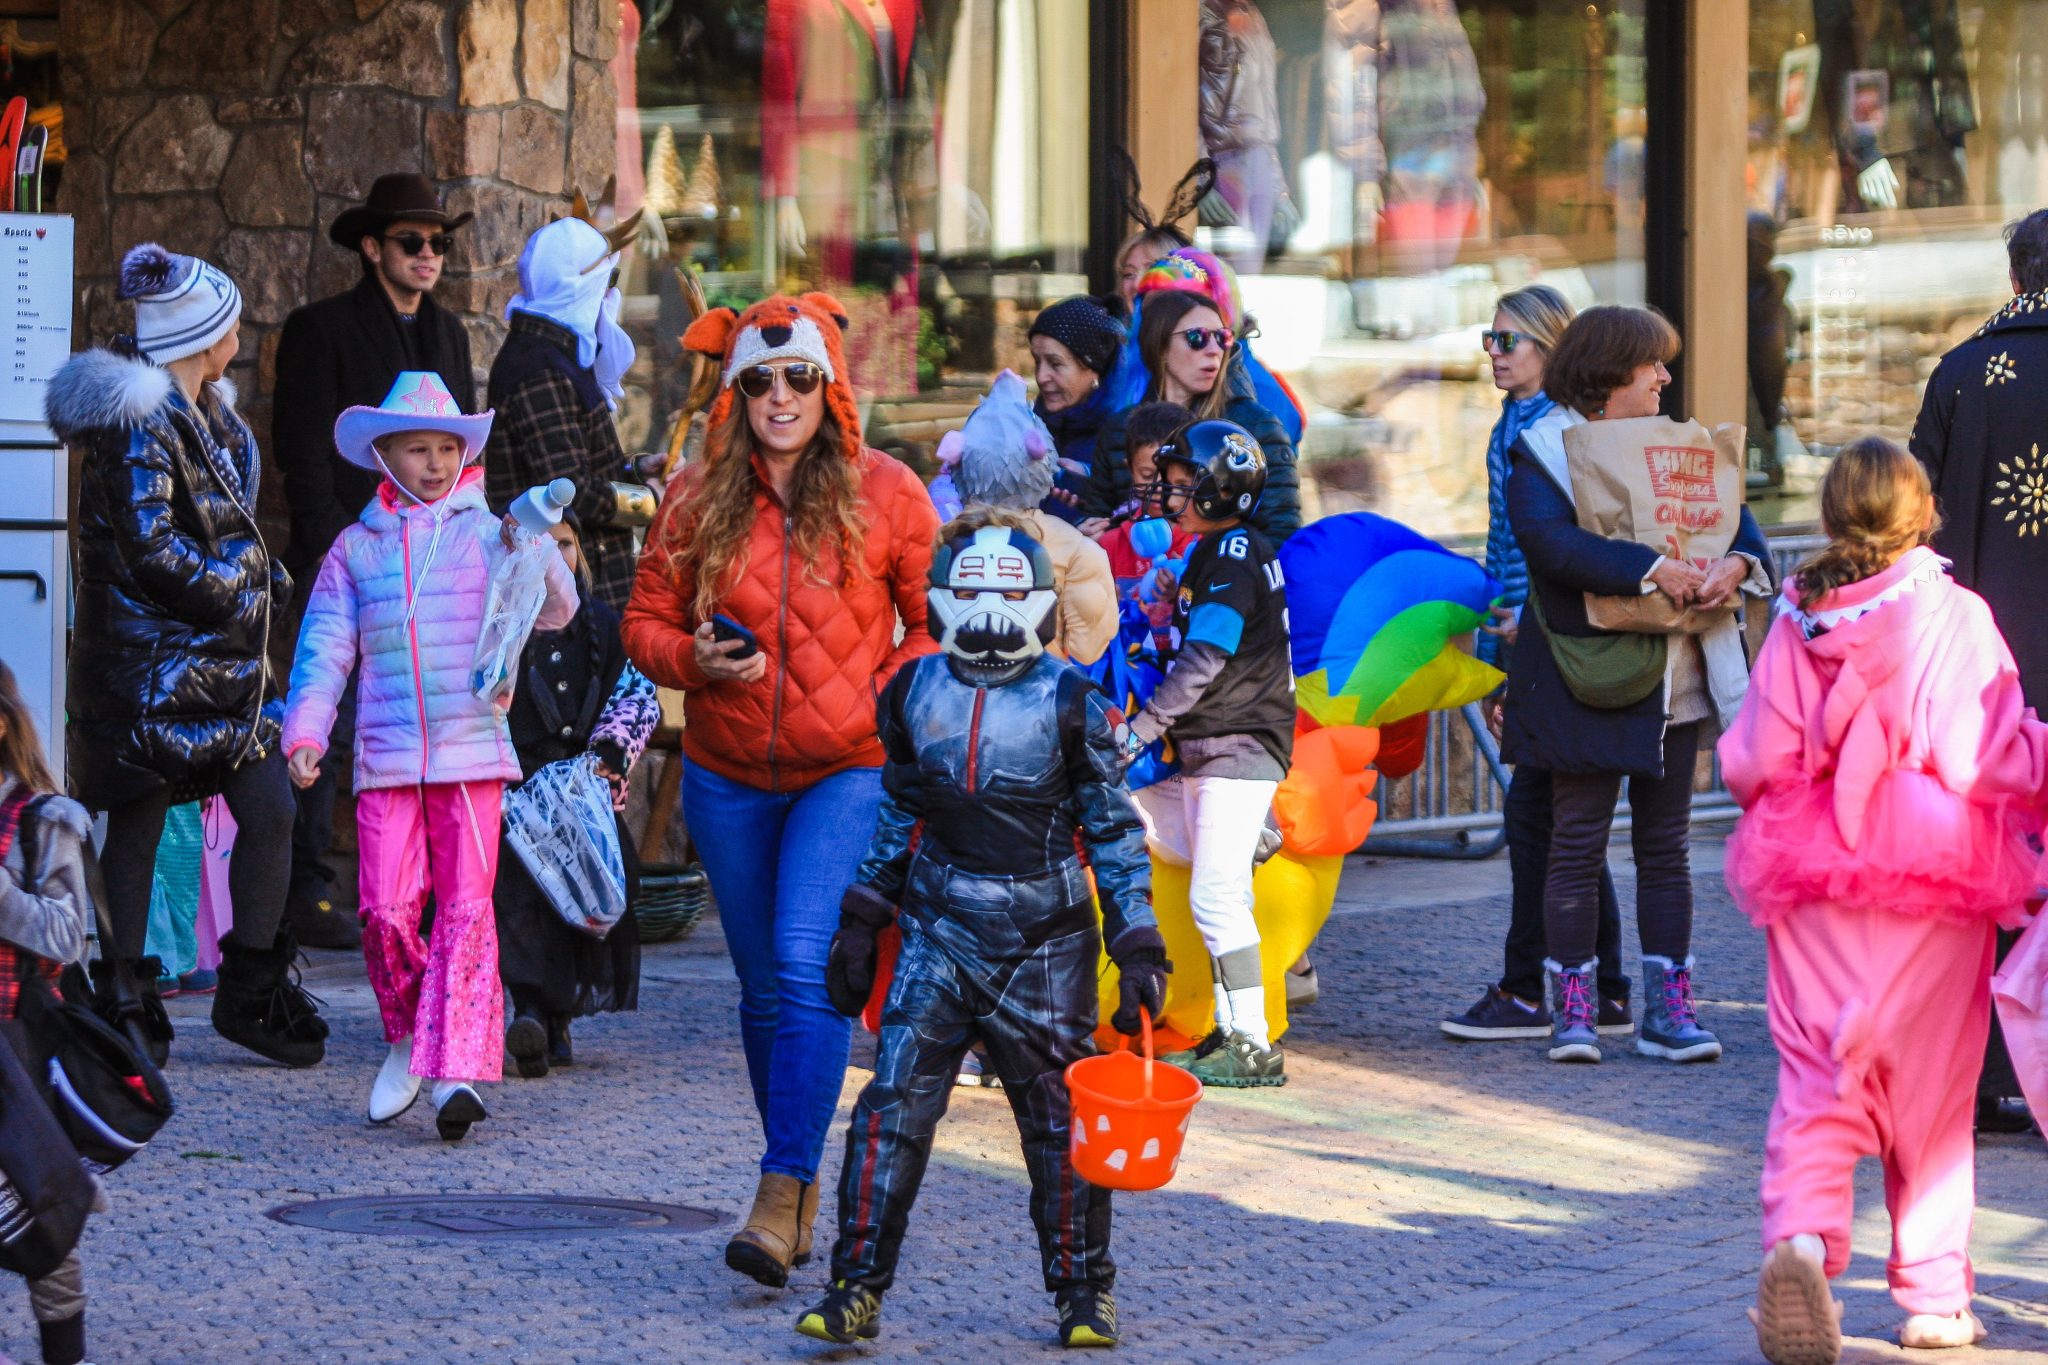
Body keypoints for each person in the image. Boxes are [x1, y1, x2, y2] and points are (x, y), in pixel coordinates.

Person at [620, 293, 939, 1288]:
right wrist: (693, 660)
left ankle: (778, 1185)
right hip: (726, 778)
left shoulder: (889, 491)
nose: (780, 395)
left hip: (847, 771)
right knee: (762, 990)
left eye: (800, 375)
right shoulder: (693, 495)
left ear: (830, 386)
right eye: (758, 380)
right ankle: (795, 1198)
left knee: (806, 968)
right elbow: (642, 622)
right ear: (736, 394)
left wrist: (882, 698)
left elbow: (932, 624)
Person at [795, 524, 1162, 1349]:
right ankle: (855, 1287)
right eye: (973, 589)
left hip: (1046, 939)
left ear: (1037, 600)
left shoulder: (1073, 700)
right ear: (943, 599)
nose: (990, 607)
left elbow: (1113, 829)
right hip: (937, 927)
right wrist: (864, 914)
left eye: (1006, 589)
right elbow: (901, 807)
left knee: (1059, 1122)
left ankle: (1084, 1291)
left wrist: (1136, 939)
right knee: (891, 1106)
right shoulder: (913, 690)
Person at [1720, 439, 2048, 1361]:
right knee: (1934, 1090)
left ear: (1831, 516)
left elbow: (1755, 757)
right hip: (1936, 868)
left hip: (1811, 865)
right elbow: (1980, 751)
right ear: (1923, 511)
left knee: (1819, 1066)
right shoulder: (1955, 613)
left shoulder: (1797, 617)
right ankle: (1935, 1298)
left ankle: (1798, 1237)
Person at [46, 242, 327, 1069]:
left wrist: (250, 586)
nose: (242, 331)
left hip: (215, 665)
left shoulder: (212, 418)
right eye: (232, 320)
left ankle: (250, 987)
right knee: (137, 822)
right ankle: (120, 998)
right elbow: (152, 548)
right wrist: (247, 588)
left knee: (269, 808)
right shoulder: (138, 423)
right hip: (148, 668)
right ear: (207, 336)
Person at [283, 372, 579, 1141]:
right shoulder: (354, 550)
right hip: (386, 759)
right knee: (383, 912)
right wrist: (306, 730)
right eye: (418, 449)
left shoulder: (489, 533)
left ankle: (457, 1069)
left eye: (448, 447)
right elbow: (324, 647)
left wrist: (533, 542)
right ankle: (413, 1033)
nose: (437, 462)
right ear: (384, 456)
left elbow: (558, 610)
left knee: (466, 913)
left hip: (472, 753)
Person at [1500, 304, 1772, 1065]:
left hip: (1676, 678)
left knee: (1665, 845)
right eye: (1651, 363)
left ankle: (1669, 1011)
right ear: (1608, 371)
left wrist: (1736, 563)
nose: (1664, 376)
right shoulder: (1541, 449)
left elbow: (1735, 519)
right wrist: (1652, 567)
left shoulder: (1681, 440)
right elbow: (1549, 543)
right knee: (1576, 842)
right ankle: (1575, 1011)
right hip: (1586, 676)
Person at [272, 172, 479, 953]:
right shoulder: (320, 329)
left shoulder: (450, 334)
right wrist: (344, 545)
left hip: (436, 564)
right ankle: (306, 886)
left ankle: (422, 889)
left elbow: (461, 454)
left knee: (425, 716)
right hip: (351, 552)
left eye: (439, 243)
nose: (429, 254)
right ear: (371, 247)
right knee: (324, 718)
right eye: (411, 241)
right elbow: (301, 451)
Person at [1441, 285, 1634, 1043]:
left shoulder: (1559, 428)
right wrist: (1497, 658)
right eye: (1488, 339)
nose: (1493, 353)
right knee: (1561, 819)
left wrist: (1522, 638)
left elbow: (1555, 547)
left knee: (1542, 817)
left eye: (1507, 340)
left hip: (1555, 640)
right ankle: (1603, 986)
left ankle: (1533, 987)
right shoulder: (1512, 424)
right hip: (1527, 643)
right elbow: (1502, 549)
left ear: (1551, 348)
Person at [1910, 207, 2048, 1135]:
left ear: (2015, 279)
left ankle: (1991, 1068)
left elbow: (1910, 516)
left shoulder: (1963, 373)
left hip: (1985, 663)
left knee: (1991, 859)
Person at [1123, 420, 1294, 1087]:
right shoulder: (1220, 550)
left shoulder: (1230, 555)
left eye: (1179, 482)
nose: (1168, 494)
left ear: (1219, 489)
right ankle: (1230, 1027)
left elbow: (1207, 656)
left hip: (1236, 745)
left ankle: (1252, 1044)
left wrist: (1144, 727)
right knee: (1216, 886)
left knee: (1217, 895)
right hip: (1219, 745)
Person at [496, 515, 660, 1078]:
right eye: (539, 544)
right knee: (520, 897)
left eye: (564, 543)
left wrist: (611, 753)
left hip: (585, 791)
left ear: (581, 552)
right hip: (516, 793)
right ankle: (530, 1009)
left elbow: (637, 695)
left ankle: (557, 1017)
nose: (552, 555)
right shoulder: (500, 625)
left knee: (582, 896)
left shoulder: (607, 626)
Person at [0, 659, 103, 1365]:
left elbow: (68, 935)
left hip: (17, 1046)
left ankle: (65, 1353)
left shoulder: (43, 818)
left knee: (42, 1210)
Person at [485, 213, 642, 613]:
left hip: (586, 594)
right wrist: (647, 501)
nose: (610, 293)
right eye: (607, 280)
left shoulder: (556, 355)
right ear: (582, 285)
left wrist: (640, 470)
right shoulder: (539, 368)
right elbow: (569, 490)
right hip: (571, 606)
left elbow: (583, 462)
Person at [1084, 289, 1300, 544]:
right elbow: (1100, 518)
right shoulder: (1120, 428)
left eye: (1222, 338)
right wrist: (1088, 534)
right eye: (1197, 337)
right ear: (1160, 346)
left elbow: (1280, 535)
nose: (1214, 350)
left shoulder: (1254, 426)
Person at [945, 370, 1117, 666]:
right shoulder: (1076, 549)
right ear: (1042, 455)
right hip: (1044, 688)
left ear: (959, 460)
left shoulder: (944, 542)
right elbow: (1087, 649)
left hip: (962, 688)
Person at [1027, 294, 1128, 519]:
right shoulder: (1027, 426)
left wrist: (1096, 496)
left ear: (1094, 369)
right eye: (1037, 361)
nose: (1041, 376)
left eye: (1055, 363)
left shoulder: (1124, 437)